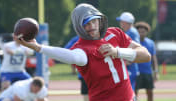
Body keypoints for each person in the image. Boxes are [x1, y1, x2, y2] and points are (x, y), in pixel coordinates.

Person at [14, 3, 151, 101]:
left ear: (99, 20)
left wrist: (117, 52)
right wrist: (38, 47)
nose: (90, 27)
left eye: (93, 22)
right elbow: (72, 57)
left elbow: (146, 55)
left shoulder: (115, 33)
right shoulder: (82, 48)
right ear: (79, 27)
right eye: (85, 24)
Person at [135, 21, 159, 101]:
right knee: (134, 93)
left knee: (150, 92)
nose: (141, 33)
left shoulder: (151, 43)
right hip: (136, 72)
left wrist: (156, 72)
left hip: (148, 72)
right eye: (139, 32)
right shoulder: (134, 42)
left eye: (143, 32)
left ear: (147, 32)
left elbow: (154, 58)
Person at [116, 12, 140, 90]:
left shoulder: (132, 32)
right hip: (129, 66)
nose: (120, 23)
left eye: (121, 21)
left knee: (129, 92)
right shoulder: (129, 32)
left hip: (130, 67)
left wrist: (127, 61)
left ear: (126, 22)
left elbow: (135, 48)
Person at [64, 35, 89, 101]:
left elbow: (66, 50)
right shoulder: (76, 39)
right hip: (86, 73)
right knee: (88, 93)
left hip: (87, 73)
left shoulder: (76, 39)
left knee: (87, 94)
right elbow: (66, 50)